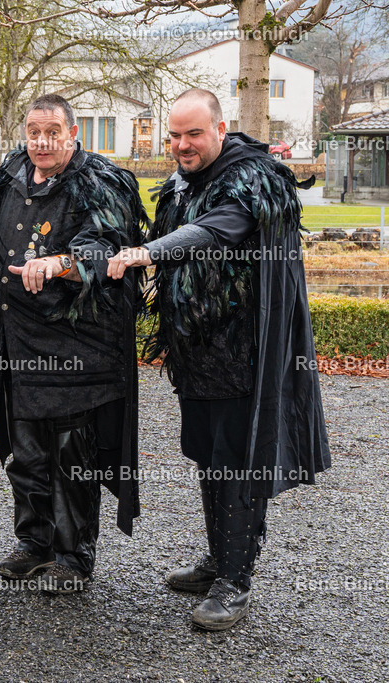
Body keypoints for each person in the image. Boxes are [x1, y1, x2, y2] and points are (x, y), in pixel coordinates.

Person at [107, 88, 331, 629]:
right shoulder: (184, 184)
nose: (182, 145)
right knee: (209, 455)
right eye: (175, 136)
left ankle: (236, 581)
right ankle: (217, 561)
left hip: (245, 354)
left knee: (238, 459)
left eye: (193, 134)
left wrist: (151, 252)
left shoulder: (252, 177)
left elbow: (213, 232)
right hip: (197, 353)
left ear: (220, 128)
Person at [0, 93, 145, 593]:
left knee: (72, 453)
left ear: (74, 134)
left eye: (52, 132)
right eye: (33, 131)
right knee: (24, 447)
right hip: (14, 339)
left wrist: (61, 263)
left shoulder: (100, 181)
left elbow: (106, 246)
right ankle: (34, 544)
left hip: (74, 347)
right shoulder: (10, 177)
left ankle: (74, 556)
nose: (42, 142)